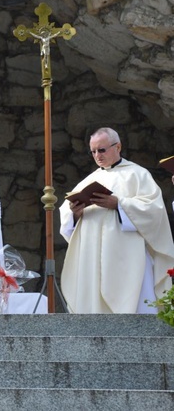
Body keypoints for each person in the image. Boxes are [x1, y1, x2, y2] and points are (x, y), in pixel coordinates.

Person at [59, 127, 174, 314]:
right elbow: (66, 217)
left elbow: (154, 211)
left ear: (118, 146)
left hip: (128, 258)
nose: (97, 155)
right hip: (93, 256)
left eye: (102, 150)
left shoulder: (138, 174)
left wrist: (120, 205)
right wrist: (75, 213)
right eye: (93, 151)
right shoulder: (90, 179)